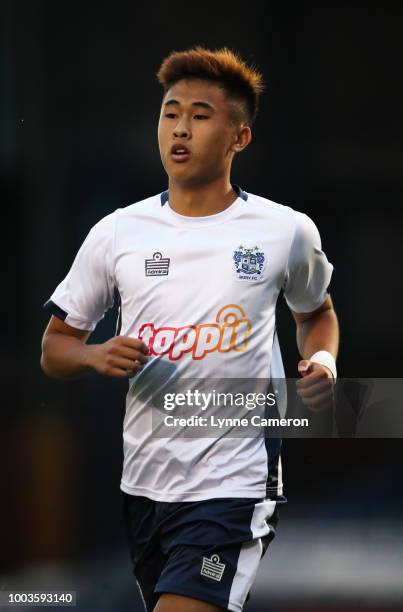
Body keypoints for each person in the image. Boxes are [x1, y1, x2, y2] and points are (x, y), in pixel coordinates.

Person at [41, 47, 339, 612]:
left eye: (201, 116)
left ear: (239, 138)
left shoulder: (285, 231)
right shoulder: (117, 233)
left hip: (235, 485)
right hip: (145, 489)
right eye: (170, 112)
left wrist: (322, 361)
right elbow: (55, 348)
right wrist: (92, 355)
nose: (180, 128)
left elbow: (317, 313)